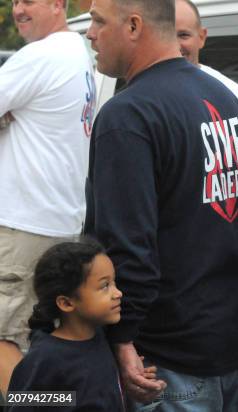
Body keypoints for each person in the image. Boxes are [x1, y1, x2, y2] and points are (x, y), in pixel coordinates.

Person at [85, 0, 238, 410]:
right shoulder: (224, 96)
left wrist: (122, 338)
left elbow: (127, 245)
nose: (89, 33)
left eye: (98, 21)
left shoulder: (127, 116)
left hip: (169, 356)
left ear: (134, 25)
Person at [0, 0, 95, 396]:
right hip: (59, 225)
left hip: (24, 226)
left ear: (58, 4)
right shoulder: (78, 51)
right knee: (42, 342)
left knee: (6, 340)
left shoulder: (39, 55)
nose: (18, 10)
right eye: (15, 1)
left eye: (29, 0)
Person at [7, 241, 127, 411]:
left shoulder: (100, 336)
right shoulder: (46, 359)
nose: (118, 293)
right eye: (104, 286)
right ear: (66, 303)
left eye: (114, 282)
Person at [175, 0, 238, 134]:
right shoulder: (139, 93)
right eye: (165, 36)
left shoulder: (234, 94)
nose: (175, 45)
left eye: (183, 35)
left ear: (202, 37)